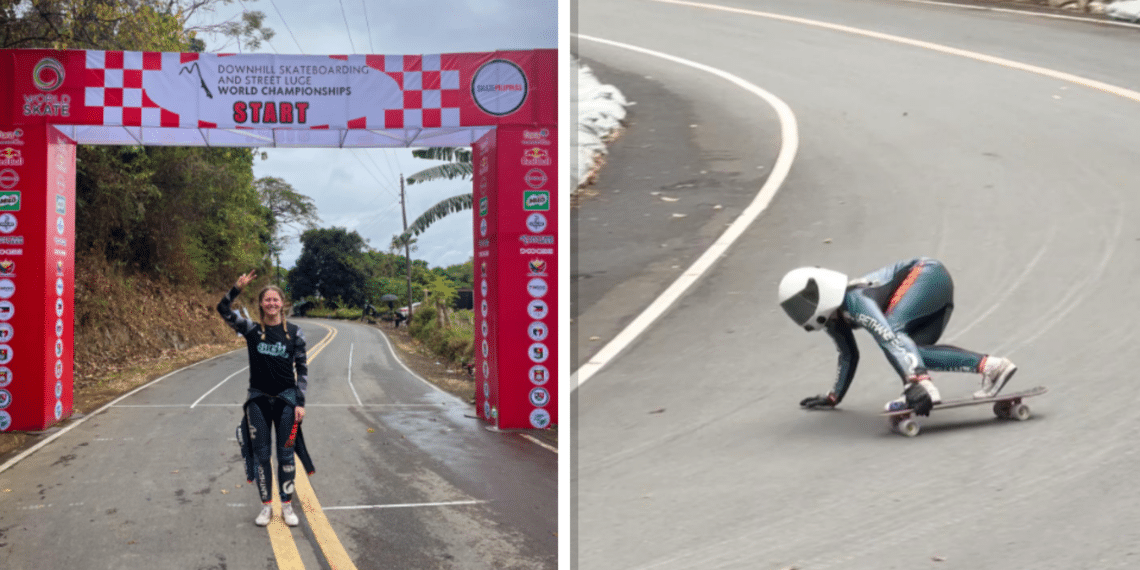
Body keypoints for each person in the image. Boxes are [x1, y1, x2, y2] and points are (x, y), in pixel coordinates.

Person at [777, 257, 1018, 416]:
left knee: (891, 332)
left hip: (927, 275)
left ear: (819, 290)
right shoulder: (833, 316)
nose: (801, 313)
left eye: (802, 305)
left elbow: (888, 336)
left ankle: (922, 384)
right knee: (914, 351)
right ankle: (993, 367)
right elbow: (848, 355)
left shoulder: (855, 298)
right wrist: (833, 397)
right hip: (931, 291)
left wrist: (915, 382)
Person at [218, 270, 309, 527]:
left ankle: (287, 506)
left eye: (275, 300)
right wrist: (236, 288)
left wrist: (300, 402)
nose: (271, 303)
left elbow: (302, 369)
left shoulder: (295, 332)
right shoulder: (251, 330)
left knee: (286, 455)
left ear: (282, 303)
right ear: (260, 304)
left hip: (286, 401)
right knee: (261, 455)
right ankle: (266, 506)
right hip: (257, 400)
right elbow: (222, 309)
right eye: (266, 300)